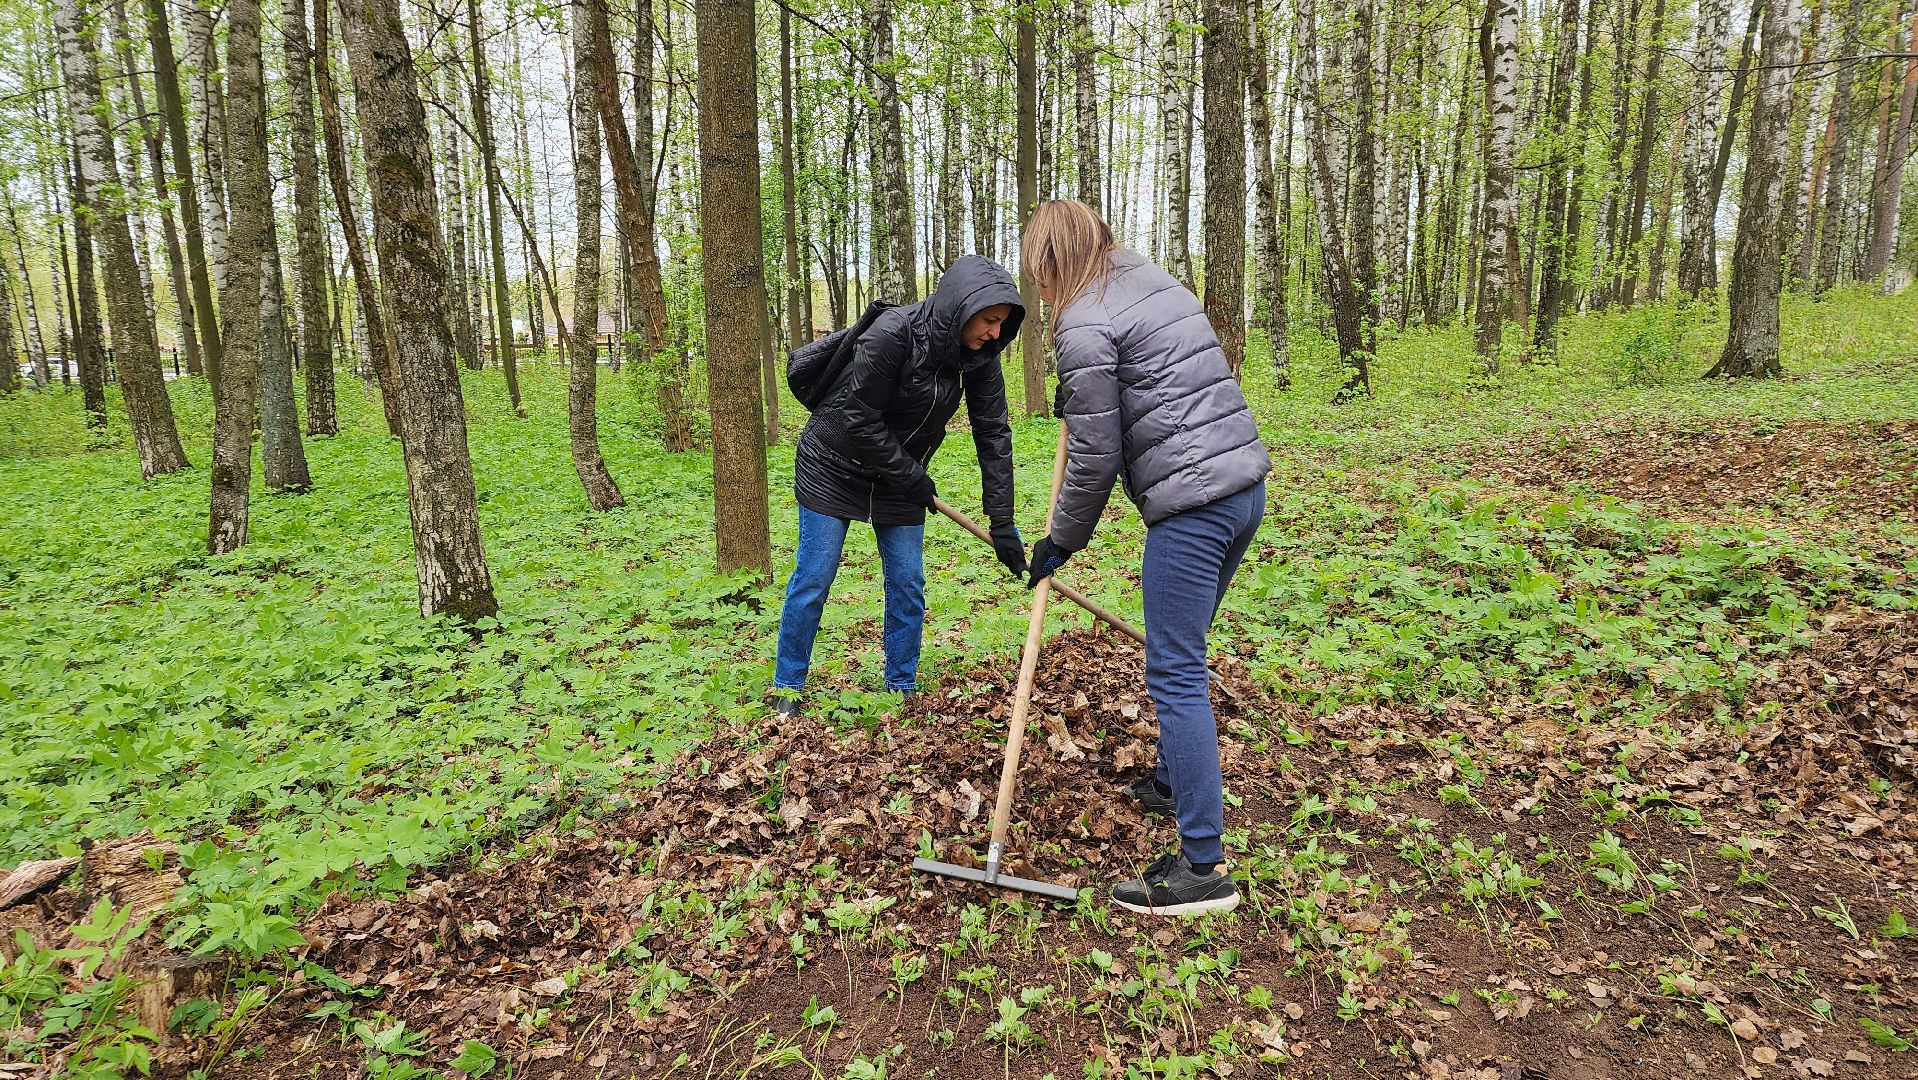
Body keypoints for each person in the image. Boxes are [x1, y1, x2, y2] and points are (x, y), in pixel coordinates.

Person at [1021, 200, 1270, 916]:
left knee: (1174, 669)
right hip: (1241, 491)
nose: (1041, 295)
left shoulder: (1082, 320)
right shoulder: (1151, 279)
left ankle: (1202, 869)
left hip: (1193, 506)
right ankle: (1172, 780)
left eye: (1040, 277)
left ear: (1053, 263)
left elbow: (1096, 454)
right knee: (1183, 653)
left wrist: (1061, 540)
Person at [772, 256, 1028, 714]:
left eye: (1001, 324)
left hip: (899, 480)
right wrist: (911, 477)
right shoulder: (892, 333)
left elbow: (993, 432)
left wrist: (1002, 522)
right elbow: (860, 419)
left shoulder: (980, 358)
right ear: (960, 309)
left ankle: (900, 687)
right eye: (988, 321)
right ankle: (788, 687)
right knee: (814, 577)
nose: (994, 333)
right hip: (833, 464)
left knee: (907, 582)